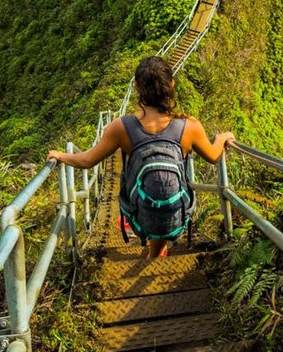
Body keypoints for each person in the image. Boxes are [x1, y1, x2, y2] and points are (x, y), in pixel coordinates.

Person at [49, 56, 235, 258]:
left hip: (139, 213)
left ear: (138, 89)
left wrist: (61, 155)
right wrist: (223, 137)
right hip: (177, 214)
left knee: (150, 194)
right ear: (171, 84)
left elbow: (87, 161)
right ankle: (158, 249)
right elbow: (214, 156)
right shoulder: (189, 126)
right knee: (165, 195)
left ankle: (154, 248)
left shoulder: (121, 127)